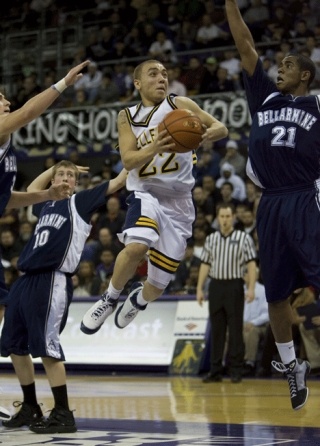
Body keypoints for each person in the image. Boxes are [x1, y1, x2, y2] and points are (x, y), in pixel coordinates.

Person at [81, 59, 228, 335]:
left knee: (157, 286)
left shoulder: (179, 104)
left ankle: (138, 299)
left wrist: (203, 134)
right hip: (145, 191)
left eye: (164, 74)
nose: (161, 78)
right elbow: (128, 159)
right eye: (153, 74)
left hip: (180, 202)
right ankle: (109, 298)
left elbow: (222, 128)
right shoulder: (127, 115)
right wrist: (156, 145)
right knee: (137, 246)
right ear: (137, 83)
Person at [225, 0, 319, 409]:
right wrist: (230, 4)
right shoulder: (264, 98)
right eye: (278, 64)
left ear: (306, 75)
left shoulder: (317, 106)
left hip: (305, 196)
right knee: (276, 293)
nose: (279, 69)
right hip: (270, 204)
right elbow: (246, 45)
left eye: (288, 65)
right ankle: (291, 366)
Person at [0, 161, 127, 434]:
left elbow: (117, 182)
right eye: (61, 175)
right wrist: (54, 172)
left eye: (70, 175)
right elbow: (34, 188)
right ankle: (31, 406)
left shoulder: (80, 202)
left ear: (77, 183)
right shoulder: (45, 203)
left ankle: (62, 413)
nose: (66, 179)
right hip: (26, 280)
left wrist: (136, 155)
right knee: (12, 344)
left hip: (52, 278)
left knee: (47, 347)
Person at [0, 59, 89, 325]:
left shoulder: (7, 146)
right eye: (0, 99)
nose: (6, 102)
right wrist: (63, 83)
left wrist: (46, 195)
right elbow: (28, 113)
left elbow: (5, 201)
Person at [197, 203, 256, 383]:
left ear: (233, 218)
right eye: (222, 216)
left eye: (228, 216)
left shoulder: (243, 237)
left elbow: (251, 264)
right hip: (215, 286)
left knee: (235, 328)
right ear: (217, 218)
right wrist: (199, 288)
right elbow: (205, 264)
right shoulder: (211, 239)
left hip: (234, 285)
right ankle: (215, 369)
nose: (224, 220)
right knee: (217, 329)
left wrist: (251, 288)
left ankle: (235, 369)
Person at [242, 267, 269, 376]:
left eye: (254, 273)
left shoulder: (263, 290)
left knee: (250, 331)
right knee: (227, 331)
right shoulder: (240, 290)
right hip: (241, 324)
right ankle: (223, 363)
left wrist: (253, 322)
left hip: (260, 325)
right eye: (248, 274)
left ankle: (249, 363)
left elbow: (267, 314)